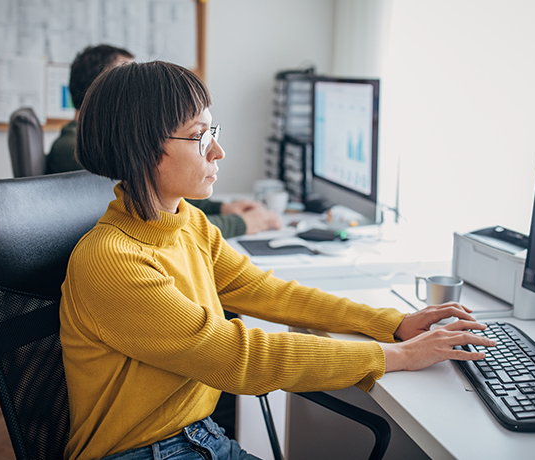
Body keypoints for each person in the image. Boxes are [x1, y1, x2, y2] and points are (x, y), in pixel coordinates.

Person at [60, 60, 495, 460]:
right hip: (144, 452)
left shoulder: (186, 222)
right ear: (142, 147)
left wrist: (390, 322)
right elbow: (238, 359)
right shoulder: (111, 261)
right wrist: (394, 356)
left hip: (197, 437)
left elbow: (264, 291)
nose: (217, 152)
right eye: (199, 136)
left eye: (214, 132)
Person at [46, 44, 280, 238]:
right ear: (105, 93)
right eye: (129, 78)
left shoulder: (187, 221)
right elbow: (151, 206)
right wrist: (242, 223)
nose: (141, 86)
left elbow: (163, 195)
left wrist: (223, 208)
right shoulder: (75, 150)